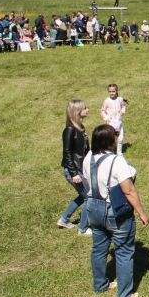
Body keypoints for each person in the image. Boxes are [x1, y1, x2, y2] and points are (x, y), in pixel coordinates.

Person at [83, 124, 149, 297]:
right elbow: (129, 191)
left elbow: (90, 182)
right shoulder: (117, 160)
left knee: (98, 249)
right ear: (109, 139)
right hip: (115, 212)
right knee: (124, 251)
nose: (117, 138)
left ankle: (100, 285)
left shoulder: (88, 157)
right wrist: (141, 212)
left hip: (92, 208)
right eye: (115, 135)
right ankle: (125, 294)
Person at [58, 100, 91, 235]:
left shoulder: (80, 127)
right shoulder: (70, 130)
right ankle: (82, 229)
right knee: (89, 196)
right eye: (85, 108)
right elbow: (67, 153)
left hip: (80, 168)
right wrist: (73, 173)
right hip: (73, 170)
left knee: (84, 195)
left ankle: (64, 220)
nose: (87, 109)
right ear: (77, 111)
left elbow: (84, 150)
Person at [100, 83, 127, 155]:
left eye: (113, 91)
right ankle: (111, 151)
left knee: (120, 137)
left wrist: (122, 111)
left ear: (116, 91)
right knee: (111, 138)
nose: (112, 93)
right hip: (110, 123)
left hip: (119, 121)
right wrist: (106, 118)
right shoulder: (107, 101)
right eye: (110, 91)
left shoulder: (120, 99)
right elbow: (102, 111)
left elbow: (123, 106)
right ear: (108, 92)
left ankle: (119, 152)